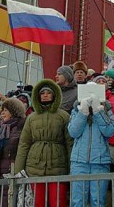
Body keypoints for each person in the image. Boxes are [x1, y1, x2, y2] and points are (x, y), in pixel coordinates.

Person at [15, 79, 72, 207]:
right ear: (37, 96)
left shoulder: (64, 116)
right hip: (34, 169)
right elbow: (24, 144)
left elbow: (70, 143)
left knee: (58, 203)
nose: (45, 95)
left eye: (48, 92)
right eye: (42, 93)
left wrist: (71, 168)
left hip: (58, 168)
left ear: (54, 95)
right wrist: (19, 170)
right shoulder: (31, 117)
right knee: (38, 203)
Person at [68, 84, 114, 207]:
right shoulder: (76, 109)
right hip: (79, 162)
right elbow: (73, 132)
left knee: (98, 201)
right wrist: (83, 112)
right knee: (78, 201)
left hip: (100, 161)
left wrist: (97, 111)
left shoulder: (106, 109)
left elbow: (109, 131)